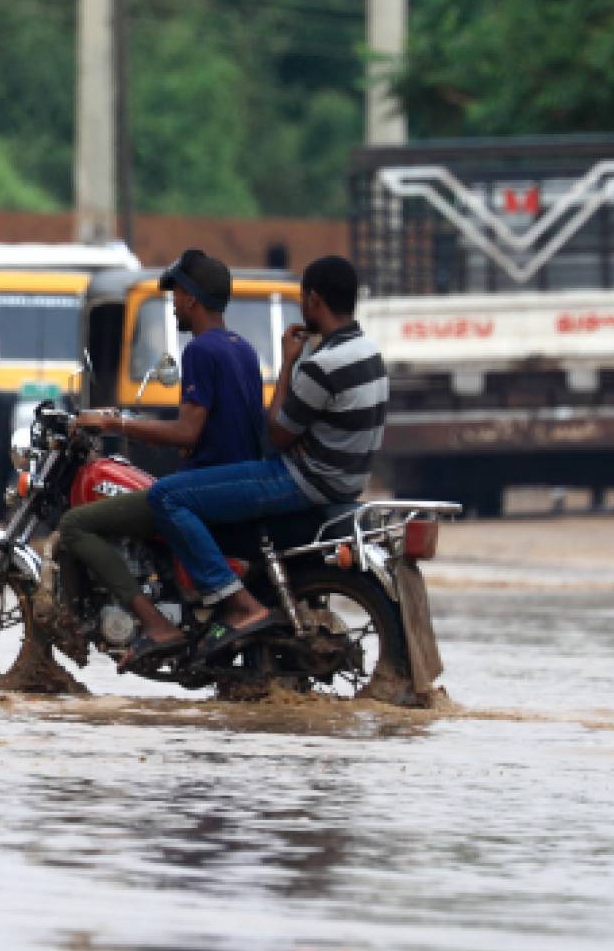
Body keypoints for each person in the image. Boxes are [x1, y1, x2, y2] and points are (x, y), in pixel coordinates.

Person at [146, 255, 388, 660]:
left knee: (166, 497)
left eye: (302, 299)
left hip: (302, 480)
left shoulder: (321, 365)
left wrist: (289, 361)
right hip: (345, 482)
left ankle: (239, 606)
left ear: (313, 300)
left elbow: (277, 434)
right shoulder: (369, 354)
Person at [55, 248, 266, 668]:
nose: (172, 306)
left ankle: (155, 624)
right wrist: (167, 438)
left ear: (191, 297)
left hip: (204, 491)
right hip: (233, 482)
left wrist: (116, 424)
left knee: (75, 525)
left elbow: (187, 430)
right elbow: (208, 431)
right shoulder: (242, 349)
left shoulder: (201, 351)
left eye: (175, 297)